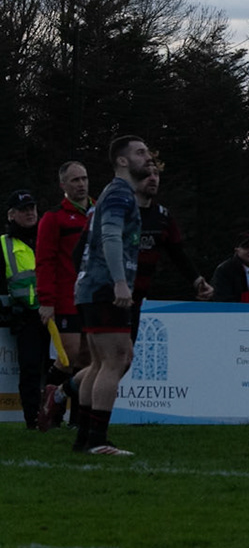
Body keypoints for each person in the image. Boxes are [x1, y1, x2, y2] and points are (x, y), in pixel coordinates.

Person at [70, 135, 153, 456]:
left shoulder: (110, 193)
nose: (147, 158)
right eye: (140, 152)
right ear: (122, 161)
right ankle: (97, 440)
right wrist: (120, 282)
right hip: (106, 287)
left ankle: (84, 438)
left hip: (92, 286)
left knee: (101, 363)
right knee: (116, 360)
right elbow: (109, 236)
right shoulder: (119, 193)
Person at [34, 159, 91, 425]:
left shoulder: (98, 213)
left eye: (84, 178)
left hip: (92, 297)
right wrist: (46, 301)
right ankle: (49, 404)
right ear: (63, 185)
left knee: (89, 360)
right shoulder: (54, 217)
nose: (81, 184)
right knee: (68, 358)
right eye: (75, 180)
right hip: (66, 298)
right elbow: (44, 261)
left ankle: (78, 419)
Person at [2, 190, 48, 430]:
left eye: (33, 208)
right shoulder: (3, 244)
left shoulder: (48, 237)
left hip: (54, 313)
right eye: (24, 209)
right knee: (30, 368)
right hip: (27, 317)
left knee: (62, 366)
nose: (30, 212)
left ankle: (58, 417)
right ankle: (32, 419)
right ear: (11, 215)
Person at [132, 169, 207, 302]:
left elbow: (177, 253)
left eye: (156, 174)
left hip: (146, 295)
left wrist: (197, 280)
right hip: (112, 293)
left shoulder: (163, 216)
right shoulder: (117, 212)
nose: (153, 178)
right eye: (147, 174)